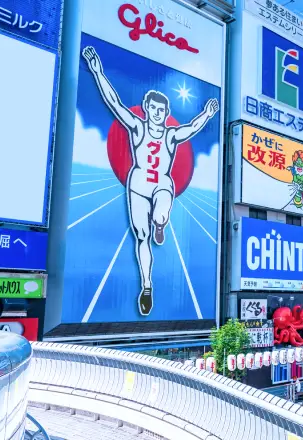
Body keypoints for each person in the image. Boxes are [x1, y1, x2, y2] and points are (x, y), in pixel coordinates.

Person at [82, 46, 220, 316]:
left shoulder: (169, 135)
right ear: (146, 108)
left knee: (161, 208)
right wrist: (97, 72)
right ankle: (147, 285)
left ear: (166, 112)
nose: (157, 113)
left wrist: (207, 114)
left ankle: (161, 222)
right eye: (153, 108)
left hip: (161, 184)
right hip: (137, 184)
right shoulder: (137, 126)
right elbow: (114, 103)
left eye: (161, 109)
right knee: (141, 237)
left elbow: (190, 128)